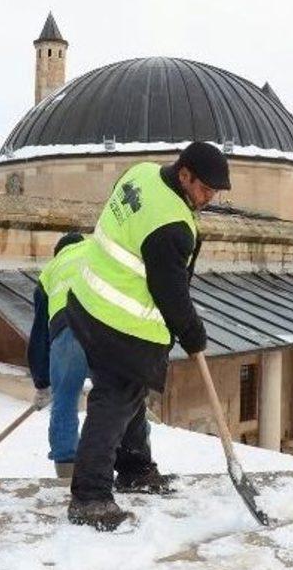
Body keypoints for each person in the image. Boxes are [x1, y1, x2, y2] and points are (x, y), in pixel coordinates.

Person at [66, 142, 231, 530]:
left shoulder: (140, 172)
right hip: (118, 323)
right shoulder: (172, 226)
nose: (209, 199)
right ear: (185, 174)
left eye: (215, 192)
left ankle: (136, 469)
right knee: (114, 400)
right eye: (205, 189)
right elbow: (171, 293)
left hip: (86, 300)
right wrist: (193, 334)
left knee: (130, 393)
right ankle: (89, 498)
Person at [28, 232, 89, 478]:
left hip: (67, 331)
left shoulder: (51, 271)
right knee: (115, 398)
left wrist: (43, 384)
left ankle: (66, 472)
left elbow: (40, 335)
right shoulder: (96, 251)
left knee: (64, 400)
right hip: (106, 324)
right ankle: (130, 457)